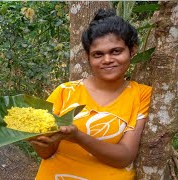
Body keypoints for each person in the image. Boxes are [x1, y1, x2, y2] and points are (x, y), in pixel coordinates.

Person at [30, 9, 152, 180]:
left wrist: (78, 136)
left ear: (132, 51)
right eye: (98, 54)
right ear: (88, 57)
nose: (107, 59)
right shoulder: (65, 92)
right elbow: (46, 153)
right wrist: (36, 139)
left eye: (116, 51)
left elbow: (125, 156)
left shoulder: (141, 94)